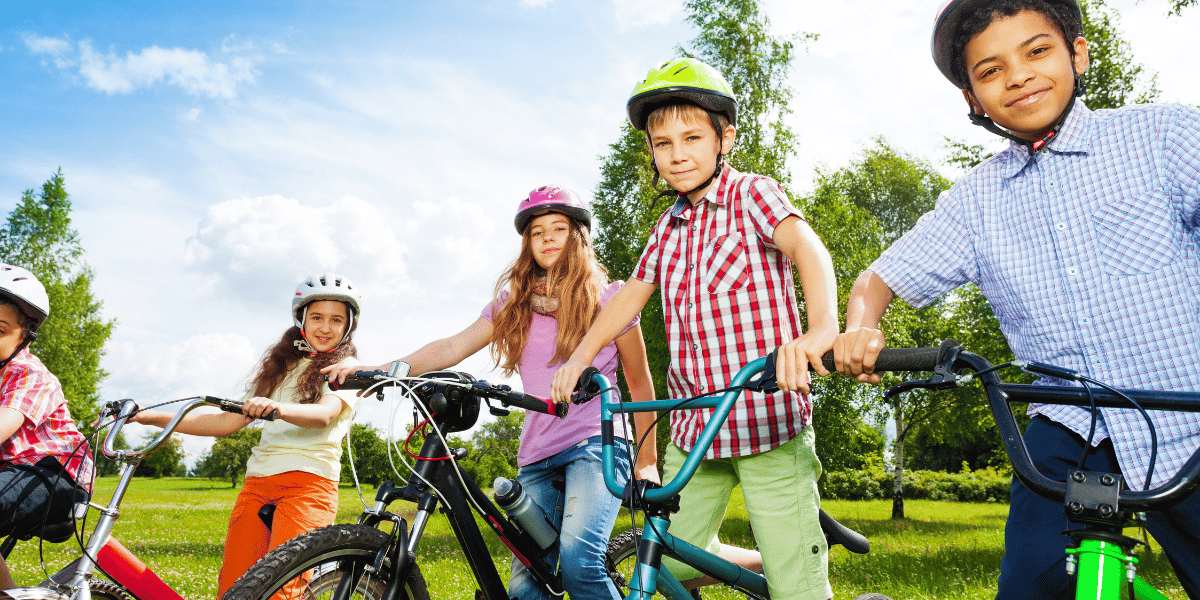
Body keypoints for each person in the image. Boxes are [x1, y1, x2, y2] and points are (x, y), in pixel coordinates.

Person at [833, 0, 1200, 597]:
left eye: (1037, 51)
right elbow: (879, 278)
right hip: (1069, 428)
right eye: (990, 70)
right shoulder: (976, 200)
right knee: (1032, 583)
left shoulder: (1164, 136)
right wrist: (861, 325)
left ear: (1076, 53)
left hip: (1188, 418)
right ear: (973, 99)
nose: (1019, 76)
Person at [550, 58, 839, 600]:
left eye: (691, 138)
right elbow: (627, 299)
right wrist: (581, 354)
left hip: (766, 421)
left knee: (798, 590)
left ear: (723, 137)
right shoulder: (666, 227)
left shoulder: (751, 194)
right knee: (667, 564)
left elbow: (808, 247)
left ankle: (796, 564)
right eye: (662, 143)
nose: (677, 154)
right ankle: (773, 566)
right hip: (694, 430)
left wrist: (820, 327)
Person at [325, 186, 658, 600]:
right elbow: (451, 347)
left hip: (596, 443)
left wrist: (646, 462)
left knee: (578, 563)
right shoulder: (514, 302)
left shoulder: (611, 299)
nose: (549, 238)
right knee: (525, 585)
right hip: (537, 452)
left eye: (559, 228)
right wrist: (376, 369)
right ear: (528, 244)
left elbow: (640, 382)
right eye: (538, 232)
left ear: (578, 236)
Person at [131, 273, 364, 599]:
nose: (325, 327)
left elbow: (324, 414)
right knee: (234, 588)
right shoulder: (280, 366)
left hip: (309, 484)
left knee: (283, 590)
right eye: (317, 317)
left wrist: (276, 408)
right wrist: (148, 416)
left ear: (347, 325)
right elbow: (222, 423)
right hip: (259, 483)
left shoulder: (347, 369)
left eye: (336, 319)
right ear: (302, 320)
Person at [0, 264, 93, 590]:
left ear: (25, 338)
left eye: (0, 330)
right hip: (12, 474)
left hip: (56, 478)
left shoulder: (28, 374)